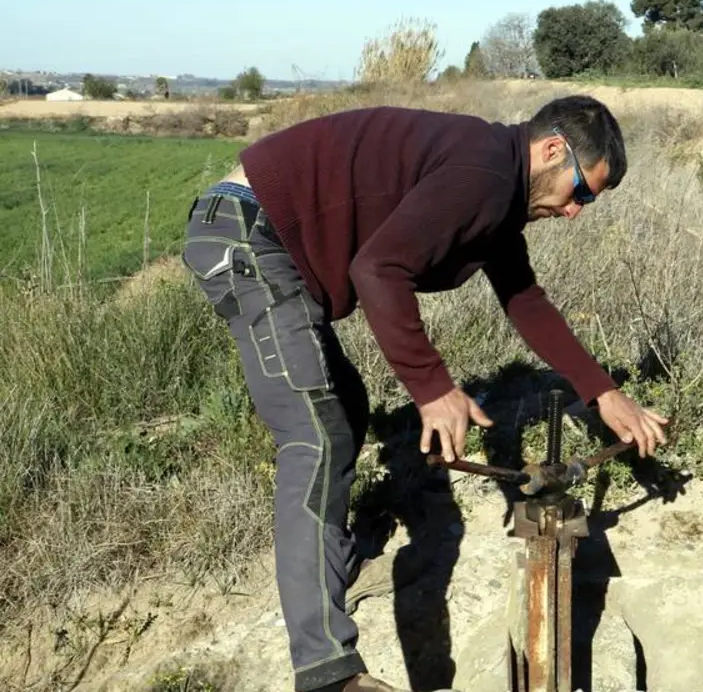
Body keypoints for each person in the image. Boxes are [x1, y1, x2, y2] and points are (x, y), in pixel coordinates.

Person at [179, 95, 669, 692]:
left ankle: (330, 563)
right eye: (581, 192)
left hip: (263, 233)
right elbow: (378, 269)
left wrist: (603, 393)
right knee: (313, 433)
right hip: (248, 233)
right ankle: (327, 670)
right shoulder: (485, 173)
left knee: (347, 410)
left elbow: (524, 301)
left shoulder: (495, 186)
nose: (576, 212)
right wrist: (433, 388)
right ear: (550, 149)